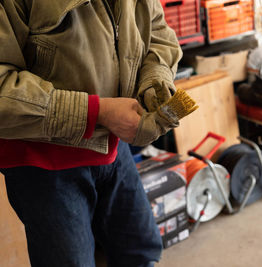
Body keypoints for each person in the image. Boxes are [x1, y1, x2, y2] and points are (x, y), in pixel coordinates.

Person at [0, 0, 183, 266]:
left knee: (141, 251)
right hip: (44, 163)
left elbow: (156, 29)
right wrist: (96, 112)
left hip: (112, 145)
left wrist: (154, 79)